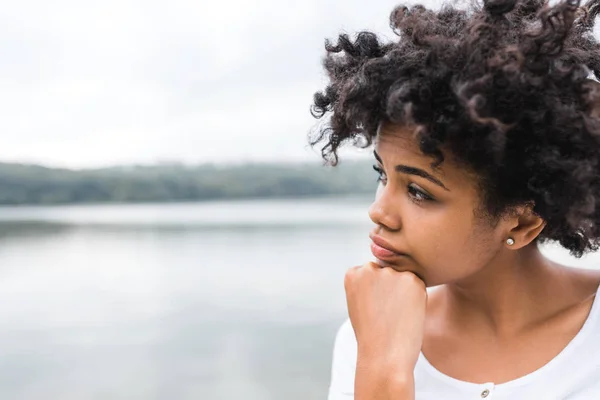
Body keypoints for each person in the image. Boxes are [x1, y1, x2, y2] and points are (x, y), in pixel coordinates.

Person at [309, 0, 600, 398]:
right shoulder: (371, 335)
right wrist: (382, 364)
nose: (379, 212)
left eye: (418, 191)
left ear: (520, 222)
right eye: (383, 174)